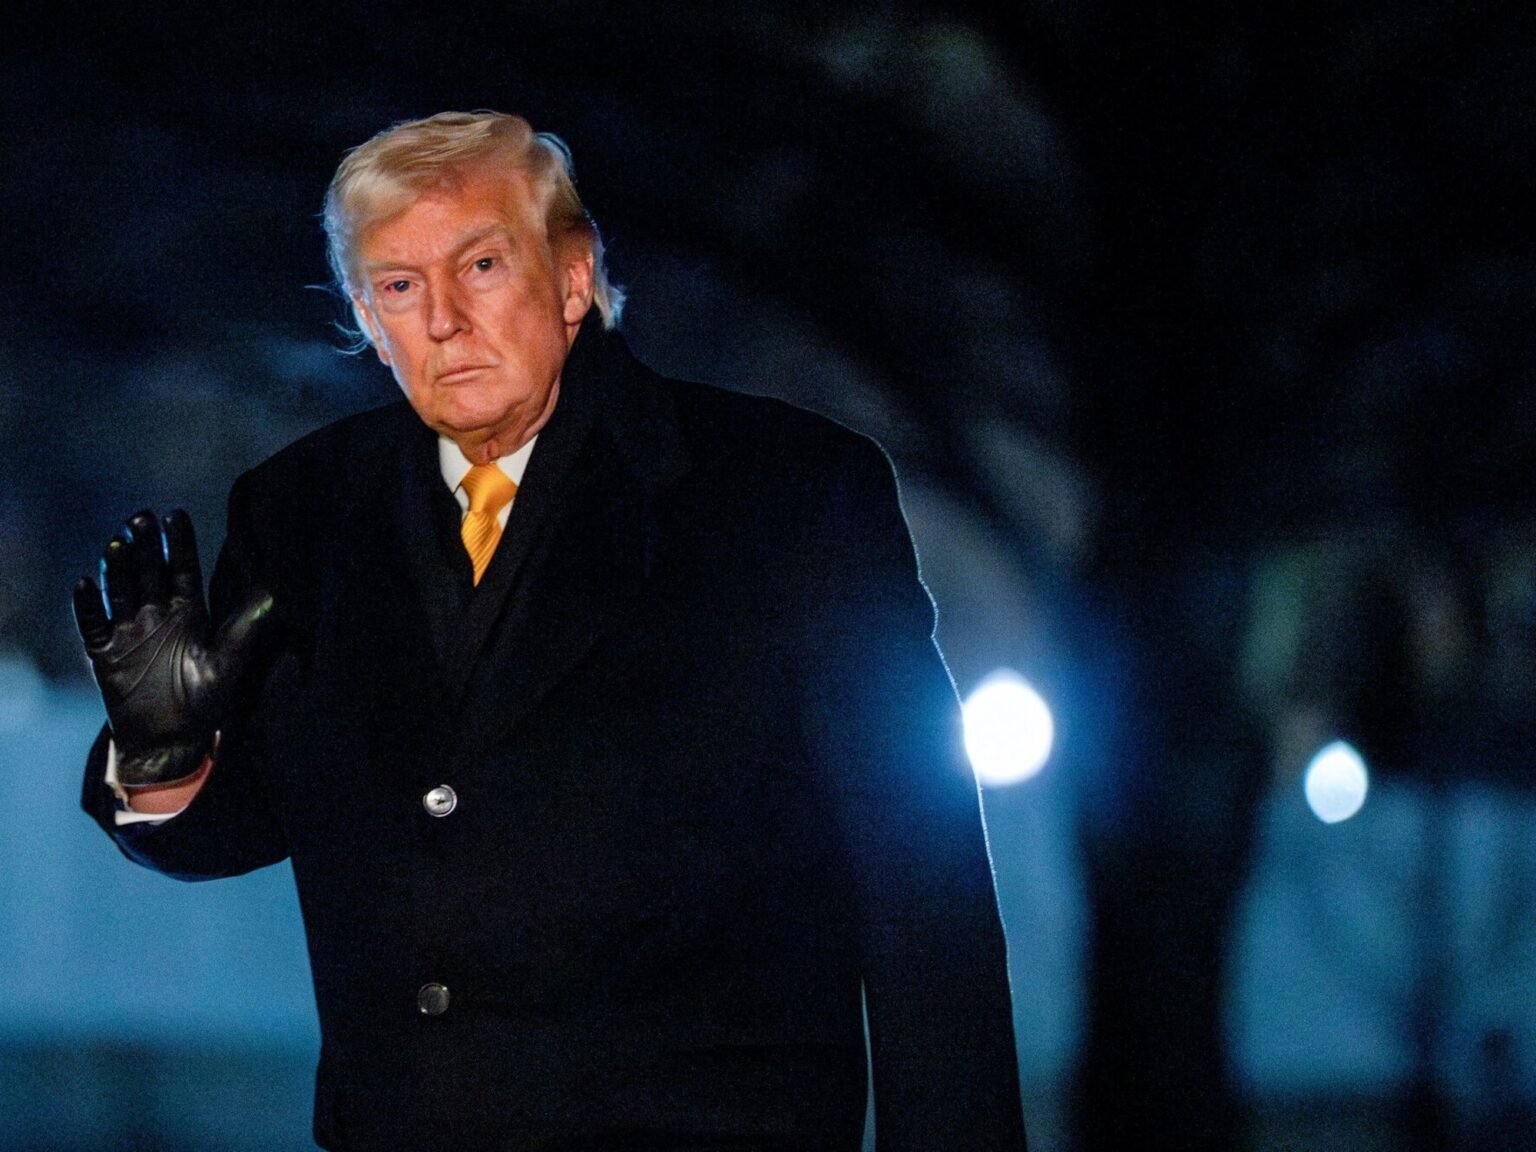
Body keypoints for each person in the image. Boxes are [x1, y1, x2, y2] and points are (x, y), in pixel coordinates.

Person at [73, 110, 1027, 1151]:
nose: (443, 320)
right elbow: (252, 821)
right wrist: (163, 757)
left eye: (480, 266)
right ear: (367, 318)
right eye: (399, 285)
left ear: (574, 280)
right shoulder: (301, 511)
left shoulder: (788, 495)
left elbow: (922, 888)